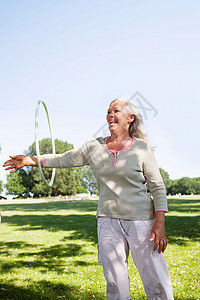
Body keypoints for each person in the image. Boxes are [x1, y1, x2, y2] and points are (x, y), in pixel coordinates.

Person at [3, 98, 174, 300]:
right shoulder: (94, 147)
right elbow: (62, 159)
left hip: (141, 221)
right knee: (115, 283)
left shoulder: (141, 148)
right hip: (108, 221)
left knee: (155, 279)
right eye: (108, 111)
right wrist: (30, 160)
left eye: (116, 111)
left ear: (130, 118)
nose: (110, 114)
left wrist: (159, 223)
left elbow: (157, 187)